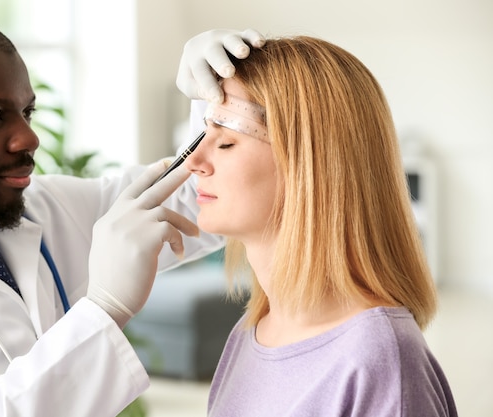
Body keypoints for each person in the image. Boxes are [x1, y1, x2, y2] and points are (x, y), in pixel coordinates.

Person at [0, 9, 266, 417]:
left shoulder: (43, 207)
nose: (28, 138)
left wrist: (210, 100)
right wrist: (104, 309)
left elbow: (202, 199)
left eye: (28, 113)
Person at [184, 36, 458, 416]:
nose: (192, 160)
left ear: (309, 165)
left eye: (227, 142)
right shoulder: (255, 331)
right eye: (203, 134)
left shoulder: (380, 361)